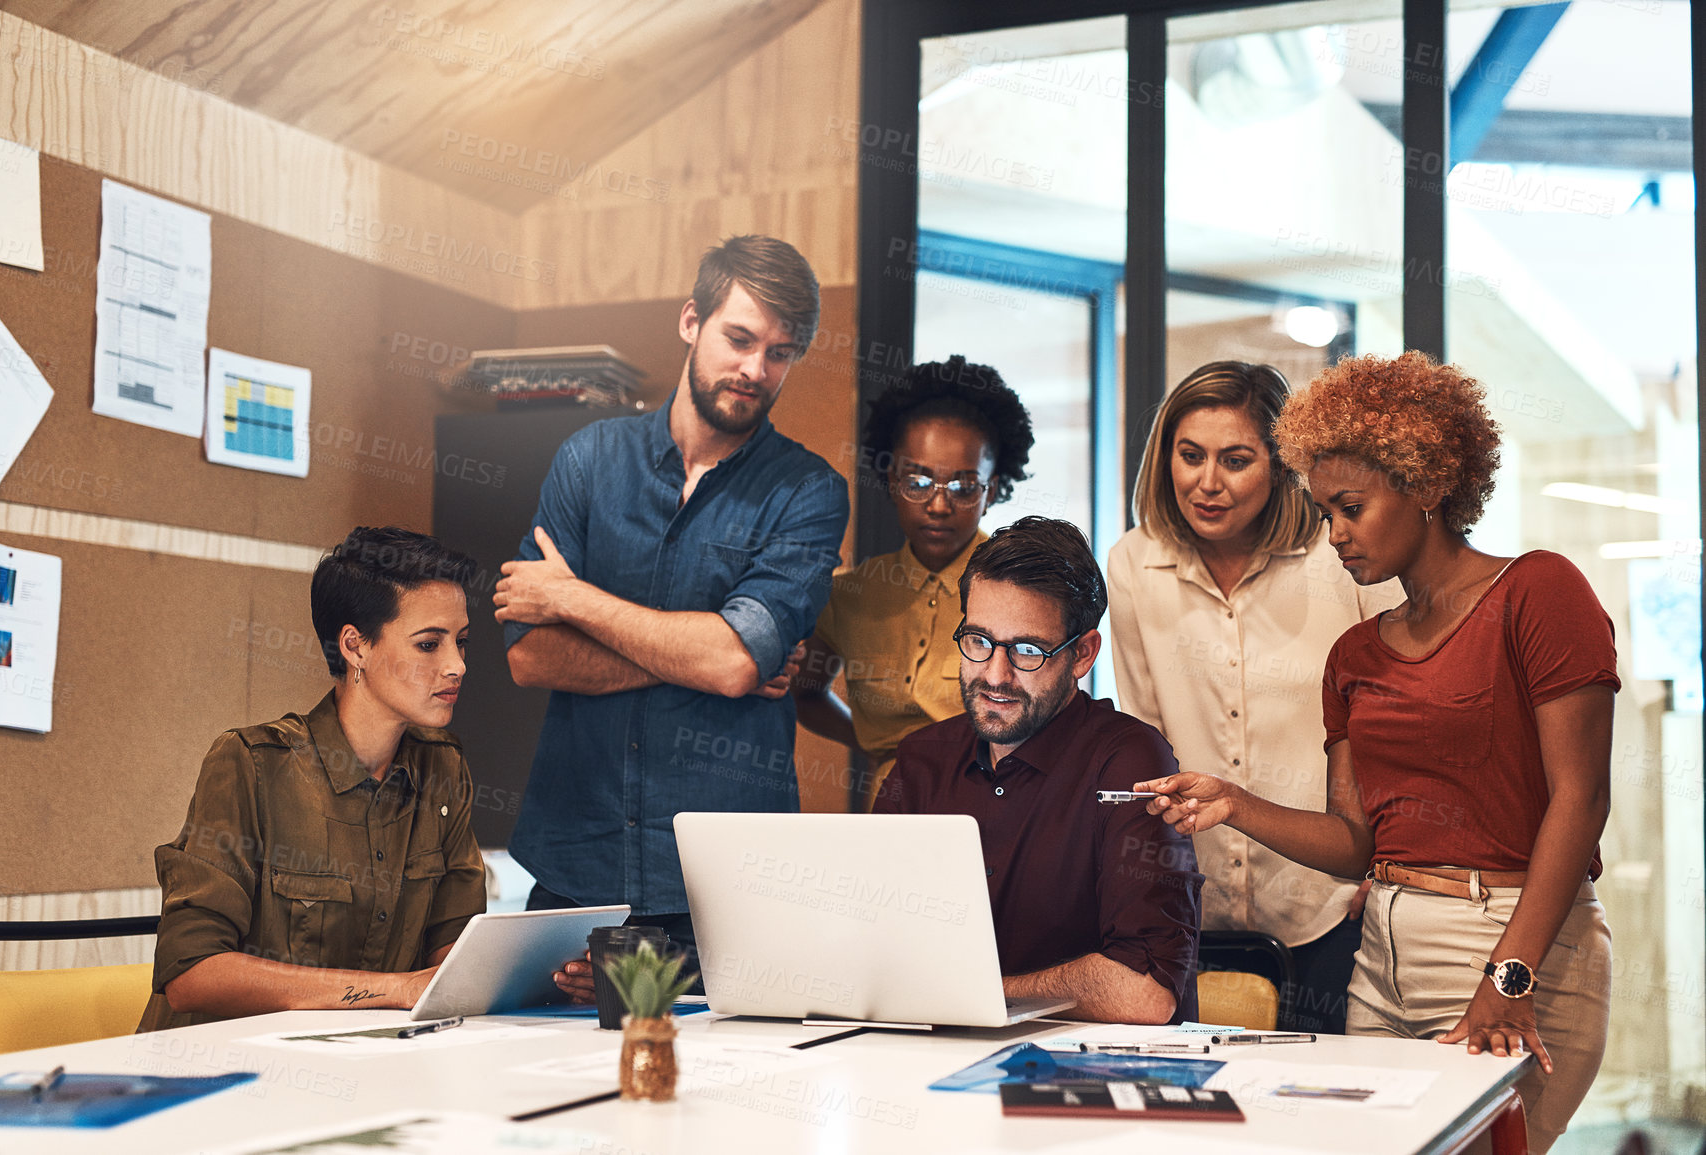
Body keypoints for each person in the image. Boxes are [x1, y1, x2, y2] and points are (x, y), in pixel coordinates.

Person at [1135, 352, 1615, 1153]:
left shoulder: (1538, 590)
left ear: (1425, 483)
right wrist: (1234, 803)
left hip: (1505, 937)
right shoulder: (1355, 653)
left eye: (1350, 508)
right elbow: (1355, 842)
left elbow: (1581, 798)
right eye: (1324, 513)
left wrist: (1510, 974)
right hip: (1380, 957)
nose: (1335, 536)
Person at [493, 235, 849, 999]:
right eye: (739, 338)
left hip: (723, 891)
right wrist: (711, 656)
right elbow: (529, 657)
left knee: (719, 1108)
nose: (755, 369)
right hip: (575, 868)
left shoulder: (809, 493)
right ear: (692, 320)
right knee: (536, 1095)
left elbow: (730, 661)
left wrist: (572, 599)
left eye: (780, 353)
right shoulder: (588, 461)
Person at [1106, 361, 1399, 1034]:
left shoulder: (1341, 556)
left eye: (1235, 460)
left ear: (1279, 465)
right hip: (1195, 906)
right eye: (1190, 456)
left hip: (1330, 902)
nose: (1207, 482)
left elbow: (1395, 720)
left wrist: (1386, 862)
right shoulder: (1132, 563)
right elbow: (1145, 737)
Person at [140, 527, 486, 1031]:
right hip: (212, 1075)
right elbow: (193, 973)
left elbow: (452, 952)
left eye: (461, 643)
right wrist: (397, 990)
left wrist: (542, 972)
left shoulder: (444, 768)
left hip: (361, 1062)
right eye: (429, 644)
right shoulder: (250, 763)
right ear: (355, 647)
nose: (456, 665)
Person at [875, 517, 1202, 1023]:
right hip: (927, 1061)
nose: (995, 675)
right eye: (979, 641)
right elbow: (874, 947)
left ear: (1082, 654)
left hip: (1087, 1074)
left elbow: (1145, 994)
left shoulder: (1130, 761)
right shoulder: (922, 759)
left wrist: (980, 991)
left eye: (1027, 651)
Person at [794, 355, 1033, 808]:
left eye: (964, 486)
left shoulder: (1023, 590)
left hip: (1001, 813)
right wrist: (879, 747)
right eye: (918, 481)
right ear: (890, 479)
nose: (938, 506)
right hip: (888, 812)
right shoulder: (852, 595)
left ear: (993, 488)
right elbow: (804, 694)